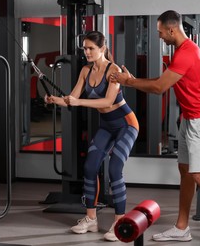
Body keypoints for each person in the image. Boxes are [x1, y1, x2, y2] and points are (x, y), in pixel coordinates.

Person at [112, 10, 200, 246]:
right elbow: (162, 81)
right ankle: (182, 228)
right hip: (190, 118)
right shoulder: (181, 52)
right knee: (185, 170)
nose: (160, 36)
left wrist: (127, 82)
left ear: (172, 30)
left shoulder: (187, 52)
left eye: (161, 33)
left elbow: (160, 87)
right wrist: (132, 78)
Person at [44, 31, 139, 242]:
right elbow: (73, 97)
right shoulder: (85, 71)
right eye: (84, 48)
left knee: (115, 169)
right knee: (89, 167)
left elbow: (107, 102)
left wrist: (77, 102)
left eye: (90, 48)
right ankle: (91, 218)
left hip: (126, 124)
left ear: (102, 49)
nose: (86, 52)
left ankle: (119, 220)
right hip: (106, 125)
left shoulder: (113, 71)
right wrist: (55, 100)